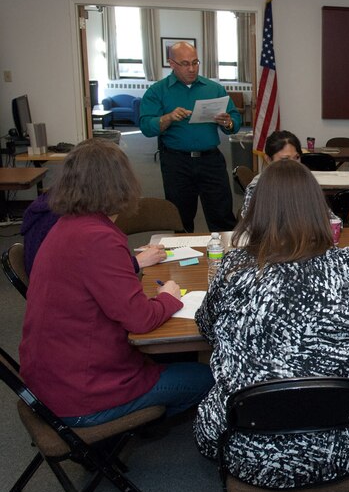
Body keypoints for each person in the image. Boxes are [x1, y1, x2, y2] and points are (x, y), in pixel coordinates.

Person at [194, 160, 349, 488]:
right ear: (318, 208)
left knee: (211, 413)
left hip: (251, 451)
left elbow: (206, 328)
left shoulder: (233, 270)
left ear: (256, 212)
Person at [18, 139, 214, 427]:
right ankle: (143, 424)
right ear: (120, 183)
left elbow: (91, 279)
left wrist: (134, 266)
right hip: (84, 394)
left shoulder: (67, 225)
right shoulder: (99, 237)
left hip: (51, 380)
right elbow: (140, 320)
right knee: (210, 376)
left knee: (176, 363)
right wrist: (170, 296)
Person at [139, 41, 241, 233]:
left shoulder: (214, 89)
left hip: (211, 160)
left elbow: (235, 120)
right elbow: (145, 126)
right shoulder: (157, 91)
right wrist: (167, 118)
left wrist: (228, 122)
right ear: (171, 63)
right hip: (177, 162)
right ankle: (183, 260)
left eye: (195, 62)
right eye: (185, 64)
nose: (192, 69)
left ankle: (227, 260)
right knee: (180, 219)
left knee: (222, 216)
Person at [21, 191, 167, 276]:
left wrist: (124, 258)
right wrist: (136, 262)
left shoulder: (63, 203)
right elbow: (94, 273)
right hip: (76, 315)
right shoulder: (75, 223)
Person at [240, 130, 302, 218]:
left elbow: (326, 218)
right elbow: (250, 224)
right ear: (268, 159)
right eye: (285, 159)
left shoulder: (306, 182)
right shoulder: (256, 188)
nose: (292, 164)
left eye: (296, 158)